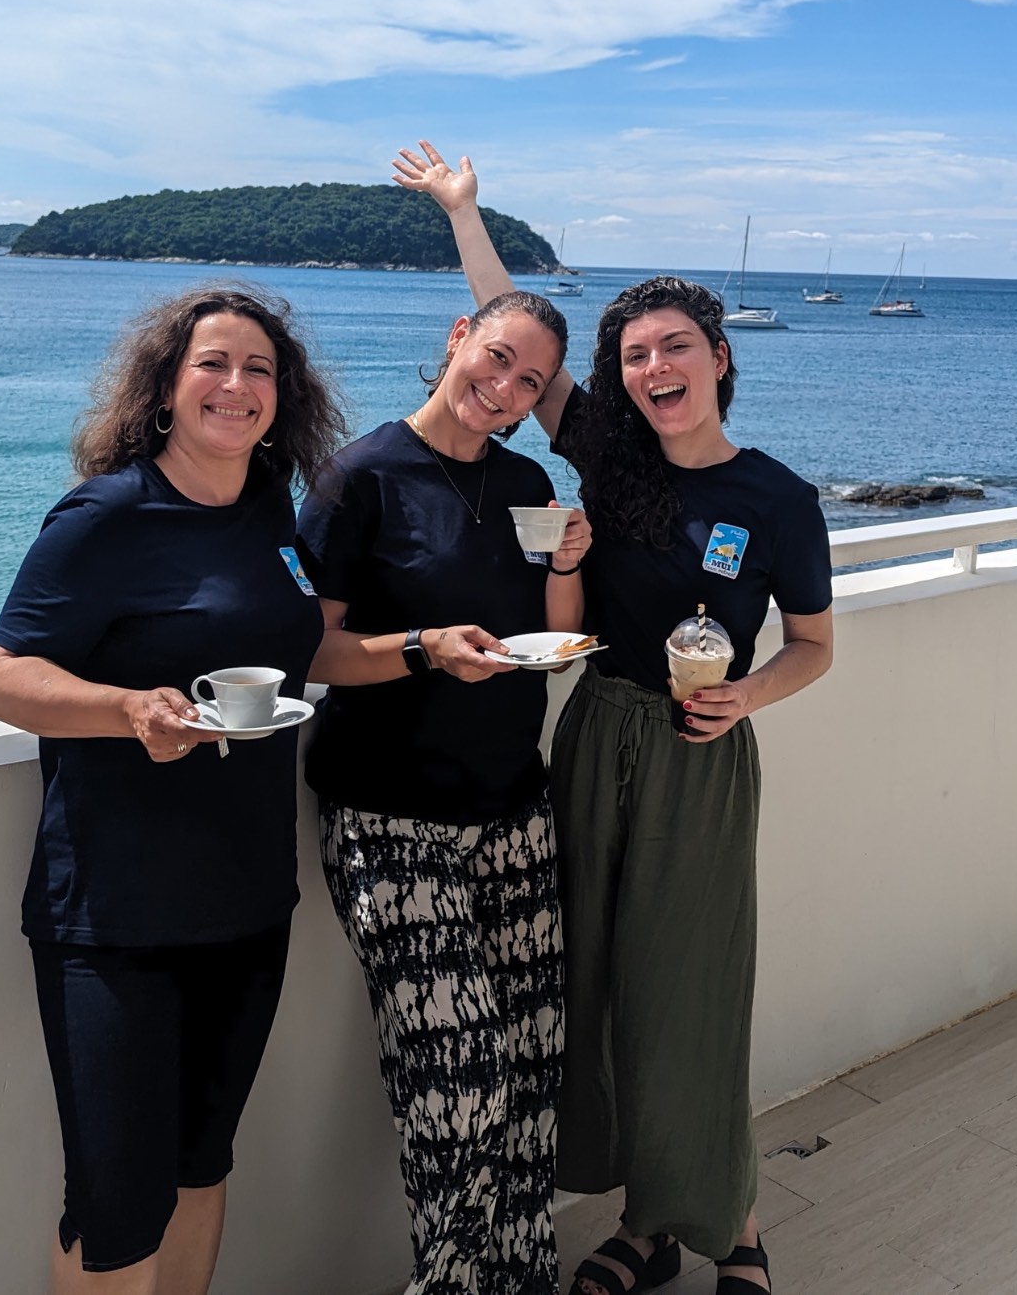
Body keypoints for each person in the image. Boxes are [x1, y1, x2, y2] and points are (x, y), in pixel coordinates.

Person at [395, 144, 836, 1295]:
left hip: (701, 753)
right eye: (634, 354)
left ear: (719, 359)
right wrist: (463, 212)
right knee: (592, 986)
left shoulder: (778, 498)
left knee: (688, 990)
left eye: (674, 347)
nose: (652, 368)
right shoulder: (608, 455)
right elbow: (511, 345)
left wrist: (750, 693)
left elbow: (816, 645)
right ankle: (646, 1226)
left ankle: (730, 1223)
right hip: (596, 733)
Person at [0, 287, 346, 1295]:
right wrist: (128, 710)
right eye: (212, 365)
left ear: (283, 393)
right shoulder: (107, 516)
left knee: (200, 1165)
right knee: (115, 1200)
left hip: (248, 899)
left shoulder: (270, 512)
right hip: (116, 915)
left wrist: (428, 647)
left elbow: (306, 650)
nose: (237, 385)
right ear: (168, 389)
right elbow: (0, 680)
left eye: (258, 368)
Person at [295, 289, 592, 1294]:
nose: (503, 389)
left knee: (530, 1078)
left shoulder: (527, 479)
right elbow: (312, 653)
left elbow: (553, 635)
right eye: (496, 358)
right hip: (387, 818)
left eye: (529, 381)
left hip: (513, 809)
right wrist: (421, 649)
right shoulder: (357, 478)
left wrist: (567, 564)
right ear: (457, 337)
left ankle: (522, 1277)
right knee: (454, 1092)